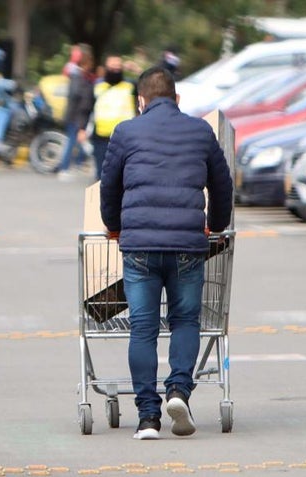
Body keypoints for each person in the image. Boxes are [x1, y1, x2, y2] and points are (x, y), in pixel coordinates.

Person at [99, 66, 233, 440]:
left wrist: (114, 225)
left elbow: (109, 187)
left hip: (140, 246)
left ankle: (147, 417)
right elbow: (222, 185)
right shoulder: (200, 131)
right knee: (185, 320)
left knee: (143, 326)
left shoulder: (125, 132)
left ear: (141, 101)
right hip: (187, 244)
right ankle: (178, 391)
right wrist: (216, 224)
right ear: (177, 99)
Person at [91, 54, 137, 181]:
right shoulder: (97, 85)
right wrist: (81, 127)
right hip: (101, 134)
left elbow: (148, 85)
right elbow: (87, 106)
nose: (115, 70)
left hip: (124, 136)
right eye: (112, 67)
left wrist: (136, 70)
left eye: (118, 67)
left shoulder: (130, 85)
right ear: (106, 68)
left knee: (123, 172)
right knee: (101, 173)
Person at [56, 44, 95, 181]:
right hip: (76, 116)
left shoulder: (80, 77)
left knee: (77, 141)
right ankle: (64, 168)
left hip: (77, 115)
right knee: (72, 141)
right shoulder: (78, 77)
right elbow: (77, 96)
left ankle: (77, 164)